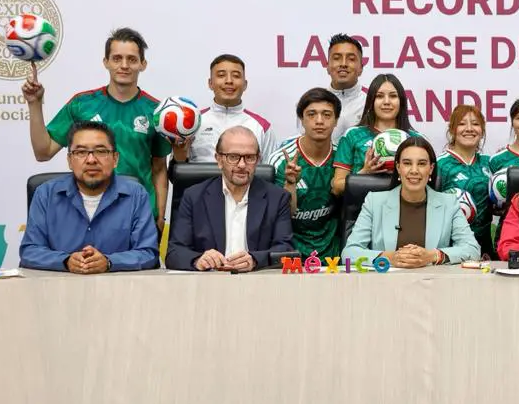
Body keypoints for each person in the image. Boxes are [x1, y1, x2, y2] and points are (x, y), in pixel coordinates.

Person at [22, 26, 171, 232]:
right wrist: (34, 104)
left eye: (132, 59)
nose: (124, 65)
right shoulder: (81, 104)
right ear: (106, 62)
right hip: (88, 214)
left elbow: (159, 168)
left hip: (138, 215)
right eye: (117, 58)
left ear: (142, 64)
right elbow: (43, 152)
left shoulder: (156, 111)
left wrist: (160, 216)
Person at [20, 121, 160, 273]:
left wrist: (109, 262)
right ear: (70, 160)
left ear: (115, 159)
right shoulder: (45, 194)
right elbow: (30, 251)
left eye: (100, 151)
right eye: (81, 152)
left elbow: (148, 253)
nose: (91, 160)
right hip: (59, 285)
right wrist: (65, 261)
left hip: (118, 285)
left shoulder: (136, 195)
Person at [165, 127, 294, 271]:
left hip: (256, 279)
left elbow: (286, 250)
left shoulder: (277, 198)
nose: (242, 165)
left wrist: (255, 260)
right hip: (210, 279)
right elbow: (174, 253)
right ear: (219, 159)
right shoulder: (194, 197)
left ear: (258, 160)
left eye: (249, 157)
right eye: (233, 157)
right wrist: (198, 260)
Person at [342, 137, 480, 267]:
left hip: (433, 281)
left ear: (431, 169)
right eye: (407, 163)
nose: (414, 171)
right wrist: (390, 258)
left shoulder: (449, 203)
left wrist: (433, 256)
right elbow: (349, 253)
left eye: (421, 164)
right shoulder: (374, 202)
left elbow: (472, 249)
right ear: (398, 168)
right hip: (385, 281)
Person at [270, 88, 342, 259]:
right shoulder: (280, 160)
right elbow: (281, 216)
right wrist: (290, 183)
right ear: (301, 119)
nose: (319, 121)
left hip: (333, 255)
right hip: (291, 254)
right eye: (311, 114)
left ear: (336, 120)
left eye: (326, 115)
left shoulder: (342, 158)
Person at [172, 54, 277, 164]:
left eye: (236, 76)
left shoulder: (262, 127)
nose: (229, 81)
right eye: (221, 75)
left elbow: (271, 171)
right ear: (210, 83)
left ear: (245, 84)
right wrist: (179, 157)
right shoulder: (192, 123)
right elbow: (176, 171)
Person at [331, 74, 422, 196]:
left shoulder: (415, 139)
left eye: (393, 96)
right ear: (371, 101)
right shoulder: (352, 135)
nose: (386, 102)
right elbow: (336, 188)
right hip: (361, 206)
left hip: (403, 206)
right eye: (379, 96)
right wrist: (364, 173)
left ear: (401, 102)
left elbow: (428, 184)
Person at [434, 104, 494, 257]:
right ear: (452, 130)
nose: (469, 129)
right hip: (451, 247)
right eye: (462, 124)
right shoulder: (440, 165)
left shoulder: (490, 163)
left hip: (485, 247)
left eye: (475, 124)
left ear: (482, 131)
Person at [327, 34, 367, 139]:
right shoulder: (312, 104)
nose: (343, 64)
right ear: (328, 66)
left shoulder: (371, 106)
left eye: (351, 59)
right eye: (337, 58)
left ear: (361, 68)